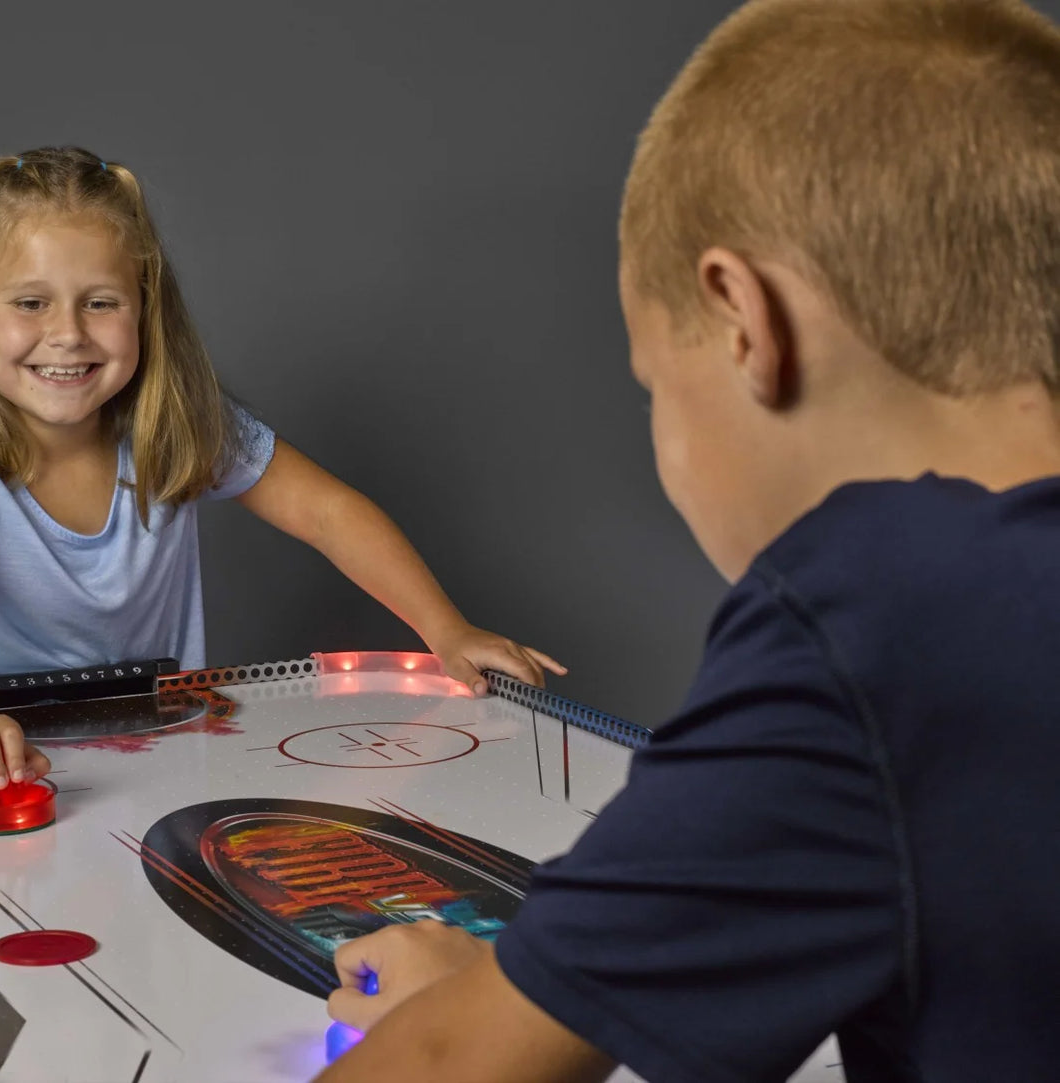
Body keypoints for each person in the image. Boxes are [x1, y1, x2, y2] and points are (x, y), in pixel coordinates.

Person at [318, 1, 1060, 1080]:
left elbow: (437, 1066)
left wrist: (473, 1008)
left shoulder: (877, 617)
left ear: (743, 321)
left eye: (653, 386)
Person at [0, 146, 562, 799]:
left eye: (101, 302)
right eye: (30, 302)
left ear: (145, 307)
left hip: (149, 755)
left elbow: (327, 513)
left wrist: (446, 628)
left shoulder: (174, 424)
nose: (68, 333)